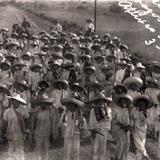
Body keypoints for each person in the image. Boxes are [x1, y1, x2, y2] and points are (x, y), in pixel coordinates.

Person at [2, 94, 27, 160]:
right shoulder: (7, 112)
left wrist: (26, 130)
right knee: (11, 151)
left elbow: (27, 120)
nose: (16, 102)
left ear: (19, 102)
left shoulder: (23, 110)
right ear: (12, 101)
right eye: (14, 100)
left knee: (20, 151)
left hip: (20, 134)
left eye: (17, 101)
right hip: (10, 134)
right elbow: (4, 125)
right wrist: (2, 134)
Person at [88, 94, 112, 160]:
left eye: (102, 101)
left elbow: (109, 120)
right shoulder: (93, 110)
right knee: (94, 148)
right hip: (95, 130)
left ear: (104, 101)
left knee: (103, 147)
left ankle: (101, 158)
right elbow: (91, 120)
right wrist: (92, 129)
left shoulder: (108, 110)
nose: (101, 102)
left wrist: (107, 129)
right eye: (99, 101)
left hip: (104, 130)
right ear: (97, 101)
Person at [31, 95, 54, 160]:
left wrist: (52, 133)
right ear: (40, 104)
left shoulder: (50, 112)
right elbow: (33, 123)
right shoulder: (36, 112)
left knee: (46, 151)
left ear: (47, 104)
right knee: (38, 151)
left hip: (47, 134)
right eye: (42, 103)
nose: (44, 105)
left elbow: (52, 123)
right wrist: (32, 133)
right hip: (38, 134)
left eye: (45, 103)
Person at [131, 95, 153, 160]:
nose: (142, 105)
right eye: (140, 104)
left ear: (145, 105)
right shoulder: (135, 111)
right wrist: (140, 112)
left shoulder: (148, 112)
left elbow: (149, 123)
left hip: (143, 132)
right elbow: (134, 117)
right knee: (139, 145)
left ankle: (138, 158)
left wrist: (145, 115)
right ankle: (145, 155)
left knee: (140, 147)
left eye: (143, 104)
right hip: (136, 131)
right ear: (138, 104)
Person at [112, 94, 132, 160]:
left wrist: (128, 126)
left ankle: (124, 158)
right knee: (120, 144)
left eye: (125, 101)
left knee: (127, 144)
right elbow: (112, 119)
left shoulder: (126, 110)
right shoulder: (115, 109)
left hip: (125, 129)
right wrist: (119, 123)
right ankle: (117, 158)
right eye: (122, 101)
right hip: (117, 128)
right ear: (119, 102)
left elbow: (128, 119)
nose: (123, 103)